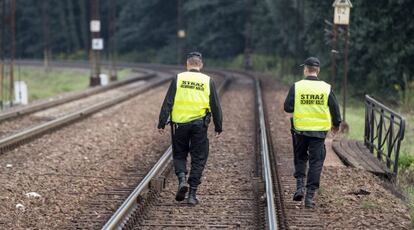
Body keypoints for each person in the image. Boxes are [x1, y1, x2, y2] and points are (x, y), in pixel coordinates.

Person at [158, 52, 222, 205]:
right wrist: (219, 126)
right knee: (199, 157)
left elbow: (168, 102)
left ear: (187, 64)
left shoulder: (178, 78)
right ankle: (192, 193)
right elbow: (215, 105)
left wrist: (161, 122)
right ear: (201, 65)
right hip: (199, 126)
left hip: (179, 125)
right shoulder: (208, 81)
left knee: (179, 154)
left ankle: (181, 180)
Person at [283, 57, 341, 208]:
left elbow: (288, 107)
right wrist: (336, 124)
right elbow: (335, 108)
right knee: (316, 162)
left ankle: (299, 187)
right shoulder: (326, 88)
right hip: (319, 132)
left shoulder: (297, 86)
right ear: (318, 70)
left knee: (301, 158)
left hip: (300, 130)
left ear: (305, 69)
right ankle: (309, 197)